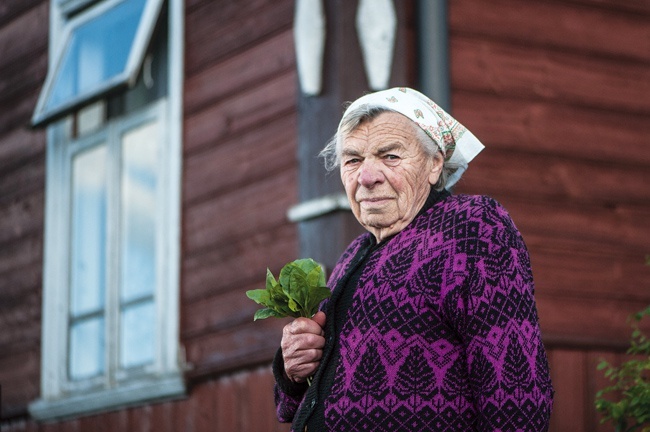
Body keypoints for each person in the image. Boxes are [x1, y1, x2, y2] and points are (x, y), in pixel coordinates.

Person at [272, 87, 554, 431]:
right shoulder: (352, 256)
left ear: (435, 164)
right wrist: (292, 371)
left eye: (390, 156)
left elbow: (517, 393)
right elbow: (296, 401)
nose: (367, 176)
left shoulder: (472, 225)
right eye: (353, 159)